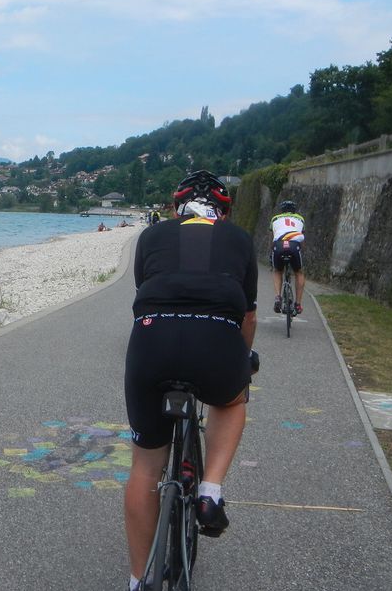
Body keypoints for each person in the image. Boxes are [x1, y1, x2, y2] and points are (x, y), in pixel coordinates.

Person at [123, 170, 258, 591]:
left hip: (153, 338)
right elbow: (248, 316)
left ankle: (137, 581)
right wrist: (242, 359)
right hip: (215, 340)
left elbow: (146, 289)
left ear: (174, 206)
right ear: (223, 209)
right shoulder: (238, 239)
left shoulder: (151, 236)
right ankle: (210, 490)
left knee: (145, 468)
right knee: (232, 400)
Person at [270, 199, 305, 315]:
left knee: (277, 270)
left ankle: (278, 297)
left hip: (279, 245)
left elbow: (274, 235)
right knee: (299, 272)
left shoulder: (275, 219)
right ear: (294, 211)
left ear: (282, 211)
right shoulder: (300, 219)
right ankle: (298, 304)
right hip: (294, 246)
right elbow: (301, 236)